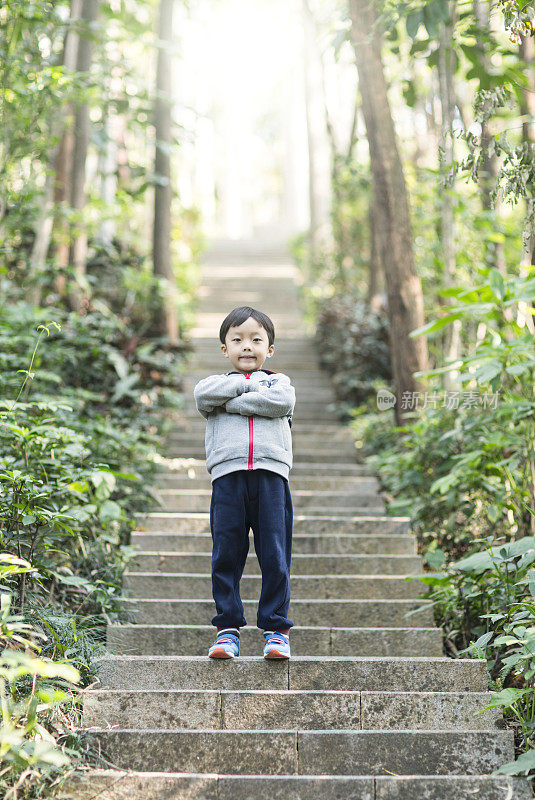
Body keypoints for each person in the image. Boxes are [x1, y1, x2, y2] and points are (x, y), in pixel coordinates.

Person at [193, 306, 296, 660]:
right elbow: (203, 398)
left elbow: (281, 402)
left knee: (275, 554)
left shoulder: (278, 382)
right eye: (237, 340)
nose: (247, 347)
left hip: (271, 478)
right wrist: (244, 386)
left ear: (270, 349)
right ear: (224, 349)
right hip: (227, 478)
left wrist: (232, 403)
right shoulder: (212, 384)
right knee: (226, 553)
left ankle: (276, 630)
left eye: (256, 340)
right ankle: (227, 630)